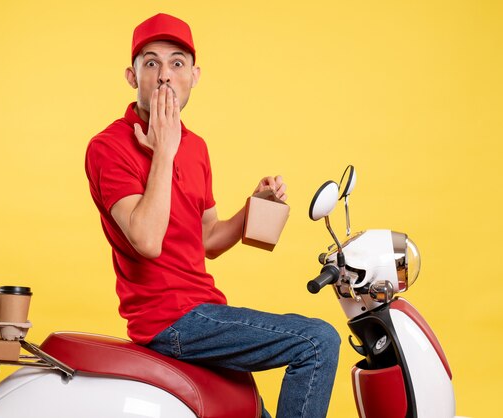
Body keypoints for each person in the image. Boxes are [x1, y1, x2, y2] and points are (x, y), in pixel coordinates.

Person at [85, 13, 340, 418]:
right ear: (132, 77)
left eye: (177, 64)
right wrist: (163, 151)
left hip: (205, 311)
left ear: (195, 76)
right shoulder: (109, 146)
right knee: (317, 342)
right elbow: (147, 241)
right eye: (151, 63)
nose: (164, 75)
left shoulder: (196, 147)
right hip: (168, 322)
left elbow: (208, 240)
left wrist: (253, 207)